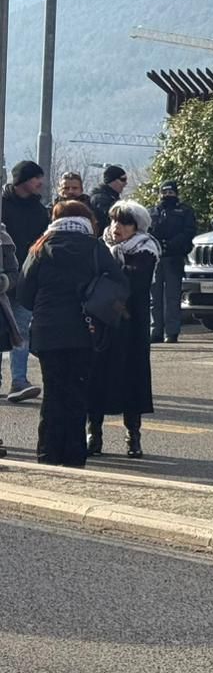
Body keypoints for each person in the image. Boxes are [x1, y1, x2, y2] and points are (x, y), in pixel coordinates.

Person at [18, 201, 121, 467]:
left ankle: (47, 454)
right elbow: (119, 284)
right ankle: (74, 457)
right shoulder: (95, 248)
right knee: (77, 392)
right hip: (84, 330)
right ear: (87, 220)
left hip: (47, 330)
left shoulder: (40, 247)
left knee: (53, 393)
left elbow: (24, 293)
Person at [89, 200, 160, 459]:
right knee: (97, 376)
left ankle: (133, 435)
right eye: (114, 221)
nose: (117, 227)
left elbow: (132, 283)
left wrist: (108, 274)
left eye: (124, 223)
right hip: (103, 321)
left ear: (136, 227)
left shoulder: (146, 249)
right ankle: (93, 433)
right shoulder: (101, 246)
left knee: (133, 377)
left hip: (132, 323)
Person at [2, 160, 51, 401]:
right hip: (2, 278)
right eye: (35, 178)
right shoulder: (2, 205)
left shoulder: (39, 210)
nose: (40, 182)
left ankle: (19, 381)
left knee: (21, 329)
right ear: (22, 179)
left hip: (25, 277)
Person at [148, 181, 197, 344]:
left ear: (176, 194)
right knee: (154, 297)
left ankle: (172, 332)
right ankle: (155, 330)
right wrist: (156, 244)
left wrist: (172, 244)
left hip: (174, 258)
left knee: (172, 297)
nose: (167, 196)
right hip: (155, 258)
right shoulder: (152, 212)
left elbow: (189, 232)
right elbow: (145, 231)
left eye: (170, 193)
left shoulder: (184, 211)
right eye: (164, 193)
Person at [87, 165, 126, 237]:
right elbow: (110, 219)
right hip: (103, 239)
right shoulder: (100, 199)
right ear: (112, 181)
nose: (125, 183)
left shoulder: (111, 197)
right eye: (123, 179)